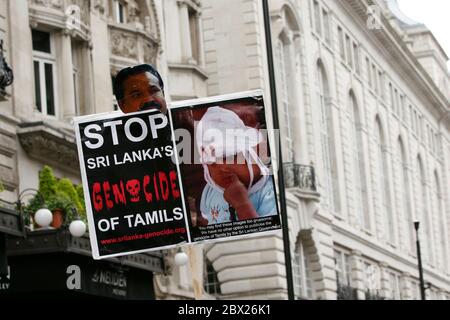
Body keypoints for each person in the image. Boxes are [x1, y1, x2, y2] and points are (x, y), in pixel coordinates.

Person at [197, 106, 277, 225]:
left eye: (229, 157)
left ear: (253, 156)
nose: (221, 167)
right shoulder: (210, 192)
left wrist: (242, 204)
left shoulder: (270, 192)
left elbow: (264, 240)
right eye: (211, 162)